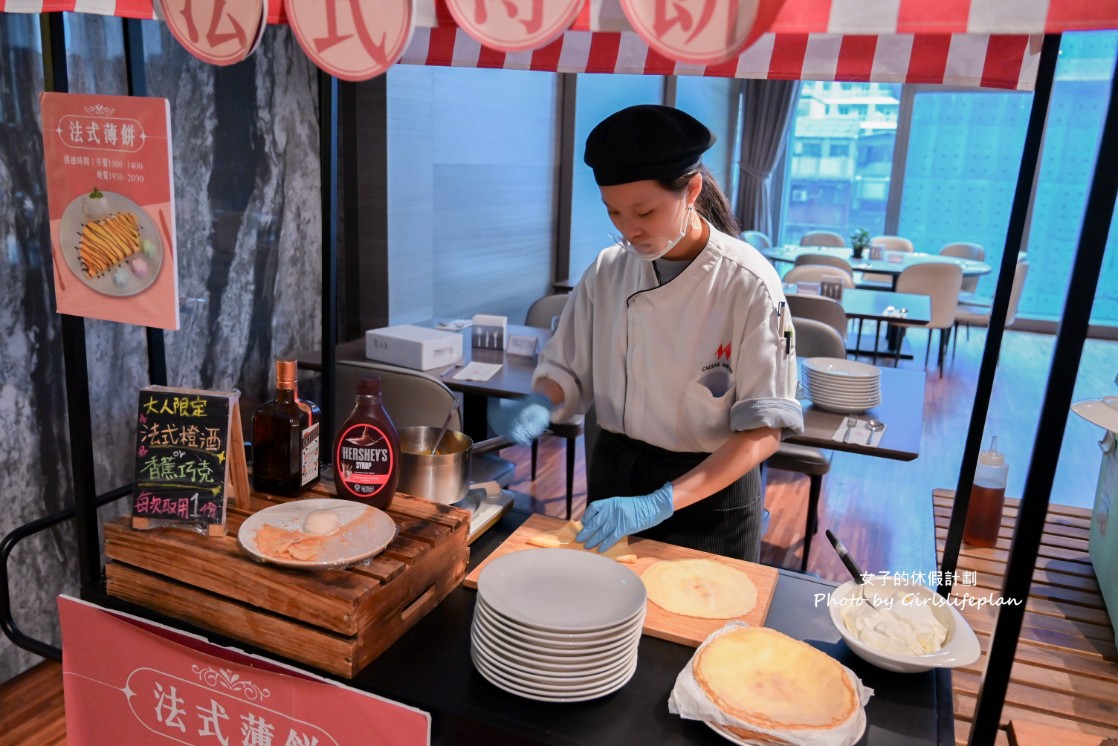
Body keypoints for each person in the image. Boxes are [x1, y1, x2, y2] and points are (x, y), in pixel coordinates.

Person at [490, 104, 802, 561]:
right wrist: (544, 400)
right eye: (614, 212)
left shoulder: (747, 281)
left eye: (645, 211)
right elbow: (569, 368)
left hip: (708, 491)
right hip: (617, 476)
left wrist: (663, 501)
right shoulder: (608, 270)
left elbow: (763, 431)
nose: (628, 230)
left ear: (691, 189)